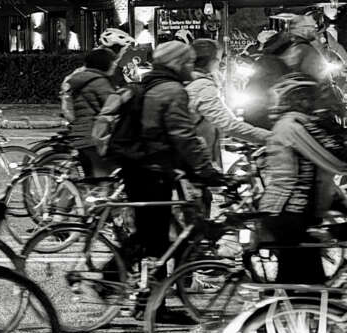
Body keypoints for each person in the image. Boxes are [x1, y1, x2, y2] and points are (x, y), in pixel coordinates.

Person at [116, 40, 225, 280]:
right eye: (188, 62)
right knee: (153, 235)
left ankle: (156, 288)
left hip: (138, 166)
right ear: (177, 63)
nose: (191, 67)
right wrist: (206, 170)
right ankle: (111, 279)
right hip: (152, 170)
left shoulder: (149, 82)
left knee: (153, 234)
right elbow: (183, 136)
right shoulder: (172, 90)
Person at [255, 75, 347, 285]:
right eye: (311, 98)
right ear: (299, 100)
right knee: (305, 285)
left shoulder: (293, 124)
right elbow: (338, 159)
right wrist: (334, 130)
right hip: (291, 213)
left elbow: (319, 172)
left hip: (291, 212)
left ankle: (283, 304)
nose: (315, 103)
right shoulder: (295, 125)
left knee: (300, 283)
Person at [186, 38, 270, 165]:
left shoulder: (195, 81)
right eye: (219, 59)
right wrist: (271, 137)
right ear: (212, 61)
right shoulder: (202, 86)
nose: (221, 63)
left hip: (196, 157)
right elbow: (229, 125)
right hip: (197, 161)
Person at [61, 48, 120, 177]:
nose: (115, 65)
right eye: (113, 62)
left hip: (80, 135)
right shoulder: (98, 82)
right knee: (104, 179)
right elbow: (113, 105)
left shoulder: (82, 79)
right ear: (104, 63)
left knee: (90, 178)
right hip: (95, 136)